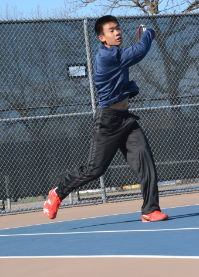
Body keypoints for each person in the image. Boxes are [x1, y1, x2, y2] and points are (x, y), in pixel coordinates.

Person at [43, 15, 168, 222]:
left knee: (145, 160)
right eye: (111, 30)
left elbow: (134, 53)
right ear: (102, 38)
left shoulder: (118, 54)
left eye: (118, 28)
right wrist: (149, 34)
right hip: (108, 122)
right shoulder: (107, 57)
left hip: (126, 120)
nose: (117, 32)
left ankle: (150, 210)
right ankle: (58, 193)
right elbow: (139, 51)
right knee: (95, 170)